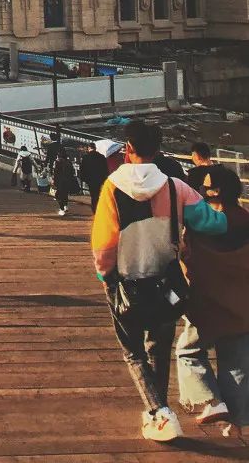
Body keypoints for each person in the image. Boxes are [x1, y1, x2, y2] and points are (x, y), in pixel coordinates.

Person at [91, 119, 228, 444]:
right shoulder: (174, 186)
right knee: (158, 349)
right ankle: (159, 415)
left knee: (133, 352)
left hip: (125, 282)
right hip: (166, 281)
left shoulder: (112, 186)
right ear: (158, 150)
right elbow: (213, 223)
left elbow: (103, 245)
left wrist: (105, 277)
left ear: (128, 150)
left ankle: (161, 413)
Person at [176, 165, 249, 439]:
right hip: (243, 305)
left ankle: (211, 401)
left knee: (188, 351)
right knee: (237, 364)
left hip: (208, 303)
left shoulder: (202, 225)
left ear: (213, 191)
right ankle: (238, 423)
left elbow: (189, 259)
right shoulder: (244, 218)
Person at [79, 144, 110, 211]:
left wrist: (84, 178)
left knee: (93, 194)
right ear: (95, 148)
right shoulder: (101, 157)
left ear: (89, 148)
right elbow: (105, 168)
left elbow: (82, 169)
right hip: (99, 178)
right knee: (97, 193)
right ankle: (97, 206)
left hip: (90, 179)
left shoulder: (86, 157)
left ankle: (94, 207)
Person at [53, 148, 77, 217]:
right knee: (65, 194)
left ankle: (62, 209)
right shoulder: (69, 162)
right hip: (68, 180)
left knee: (58, 195)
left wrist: (54, 181)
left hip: (60, 181)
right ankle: (66, 206)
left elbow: (56, 173)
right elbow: (72, 172)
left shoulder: (57, 162)